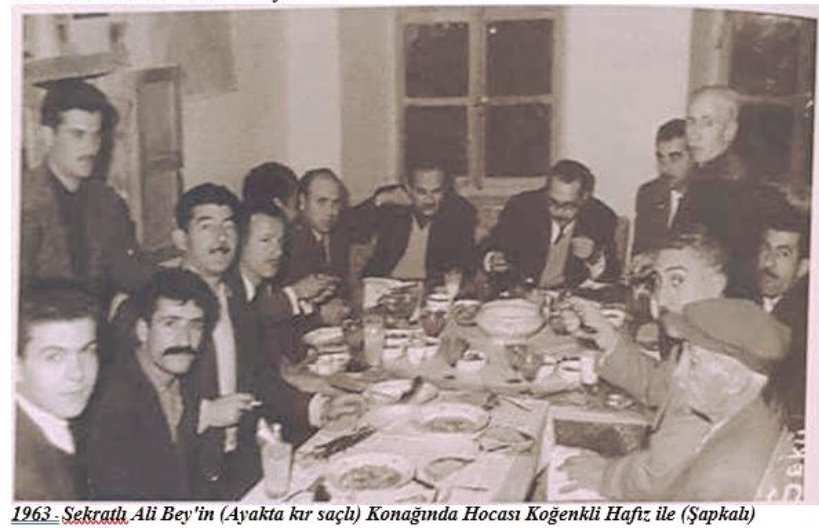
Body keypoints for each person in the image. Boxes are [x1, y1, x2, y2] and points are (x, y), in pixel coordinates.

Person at [87, 269, 218, 500]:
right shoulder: (111, 403)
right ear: (142, 330)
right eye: (170, 324)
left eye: (195, 326)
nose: (185, 340)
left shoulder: (184, 381)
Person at [20, 79, 153, 301]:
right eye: (78, 135)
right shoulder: (20, 202)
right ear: (48, 136)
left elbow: (132, 275)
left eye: (96, 135)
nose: (91, 148)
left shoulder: (107, 202)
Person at [15, 281, 100, 500]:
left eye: (87, 351)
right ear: (14, 366)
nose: (77, 373)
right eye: (54, 357)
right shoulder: (21, 476)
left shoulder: (52, 429)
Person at [482, 159, 621, 289]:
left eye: (568, 206)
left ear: (584, 198)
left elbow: (612, 276)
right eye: (553, 203)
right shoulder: (521, 208)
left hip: (571, 297)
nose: (558, 212)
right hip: (521, 293)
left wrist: (594, 258)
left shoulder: (601, 217)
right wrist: (492, 259)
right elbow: (489, 247)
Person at [673, 86, 758, 295]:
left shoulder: (728, 185)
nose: (694, 135)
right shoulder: (705, 175)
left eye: (707, 123)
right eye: (691, 122)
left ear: (729, 132)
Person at [230, 202, 336, 366]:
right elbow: (248, 322)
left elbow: (281, 341)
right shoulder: (228, 289)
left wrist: (307, 304)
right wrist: (295, 294)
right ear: (238, 243)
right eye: (266, 240)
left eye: (280, 241)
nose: (278, 251)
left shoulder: (265, 286)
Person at [347, 165, 478, 283]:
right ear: (408, 189)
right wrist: (379, 200)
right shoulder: (391, 208)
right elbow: (348, 229)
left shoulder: (458, 213)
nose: (429, 200)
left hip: (430, 288)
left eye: (436, 191)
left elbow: (467, 267)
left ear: (445, 190)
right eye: (421, 192)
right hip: (386, 283)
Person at [754, 208, 810, 428]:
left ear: (804, 267)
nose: (768, 262)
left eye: (783, 253)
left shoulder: (804, 325)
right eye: (765, 248)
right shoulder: (739, 297)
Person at [283, 168, 352, 325]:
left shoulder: (337, 237)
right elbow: (279, 313)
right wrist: (319, 316)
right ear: (302, 202)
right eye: (321, 202)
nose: (330, 212)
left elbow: (342, 288)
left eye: (335, 203)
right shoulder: (288, 242)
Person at [633, 119, 693, 255]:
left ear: (694, 157)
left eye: (674, 158)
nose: (665, 168)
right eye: (660, 158)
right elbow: (639, 251)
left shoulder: (710, 197)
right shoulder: (648, 194)